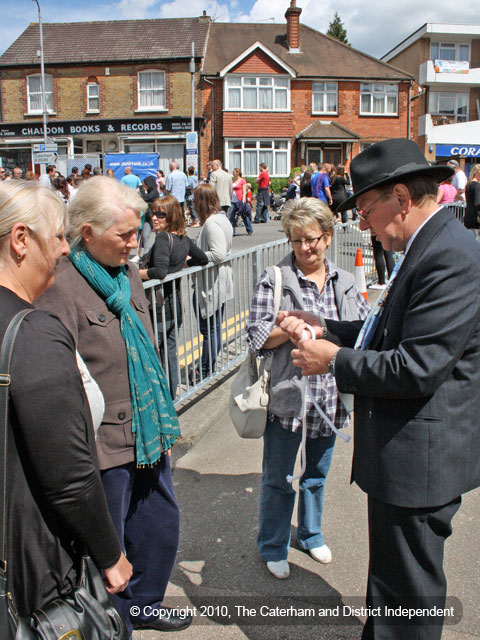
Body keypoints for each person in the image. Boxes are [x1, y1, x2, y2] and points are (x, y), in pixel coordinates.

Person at [279, 138, 480, 640]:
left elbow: (416, 367)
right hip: (405, 457)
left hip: (419, 462)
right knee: (392, 592)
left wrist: (333, 361)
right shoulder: (429, 246)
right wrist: (325, 326)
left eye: (367, 209)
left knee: (407, 599)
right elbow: (385, 334)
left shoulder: (449, 256)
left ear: (402, 198)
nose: (362, 223)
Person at [36, 176, 191, 636]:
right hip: (103, 443)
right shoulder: (58, 286)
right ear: (86, 234)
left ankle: (146, 604)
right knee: (110, 546)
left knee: (159, 526)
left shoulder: (127, 272)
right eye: (123, 234)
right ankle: (114, 622)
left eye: (136, 230)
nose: (134, 242)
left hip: (148, 431)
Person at [0, 180, 131, 618]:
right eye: (57, 236)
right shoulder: (33, 333)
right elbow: (69, 474)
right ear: (21, 240)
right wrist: (111, 555)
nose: (61, 250)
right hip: (28, 561)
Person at [246, 197, 369, 580]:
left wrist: (316, 326)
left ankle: (311, 534)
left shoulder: (345, 282)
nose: (305, 247)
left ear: (328, 237)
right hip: (288, 396)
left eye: (312, 239)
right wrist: (293, 329)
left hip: (331, 400)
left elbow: (361, 332)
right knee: (279, 478)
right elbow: (256, 335)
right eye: (297, 240)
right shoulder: (275, 278)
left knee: (316, 474)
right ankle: (273, 544)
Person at [138, 196, 208, 398]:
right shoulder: (183, 239)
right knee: (169, 350)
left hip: (158, 305)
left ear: (172, 216)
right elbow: (201, 258)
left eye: (161, 214)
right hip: (174, 304)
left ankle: (161, 397)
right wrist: (181, 266)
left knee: (155, 351)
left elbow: (159, 272)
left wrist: (133, 272)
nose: (155, 217)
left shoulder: (162, 238)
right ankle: (171, 394)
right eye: (154, 213)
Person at [191, 183, 233, 380]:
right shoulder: (221, 218)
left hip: (212, 282)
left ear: (201, 202)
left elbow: (218, 253)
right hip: (218, 280)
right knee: (214, 328)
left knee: (209, 330)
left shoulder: (211, 223)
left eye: (194, 200)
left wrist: (193, 258)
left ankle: (206, 370)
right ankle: (208, 367)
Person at [229, 167, 253, 236]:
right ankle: (232, 232)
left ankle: (249, 229)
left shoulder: (242, 181)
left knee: (244, 216)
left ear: (238, 173)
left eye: (234, 172)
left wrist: (243, 201)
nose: (233, 173)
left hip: (240, 200)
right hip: (233, 200)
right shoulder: (232, 181)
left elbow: (244, 191)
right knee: (231, 216)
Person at [464, 163, 480, 242]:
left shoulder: (468, 185)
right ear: (476, 173)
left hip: (468, 215)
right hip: (475, 218)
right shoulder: (476, 185)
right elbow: (478, 202)